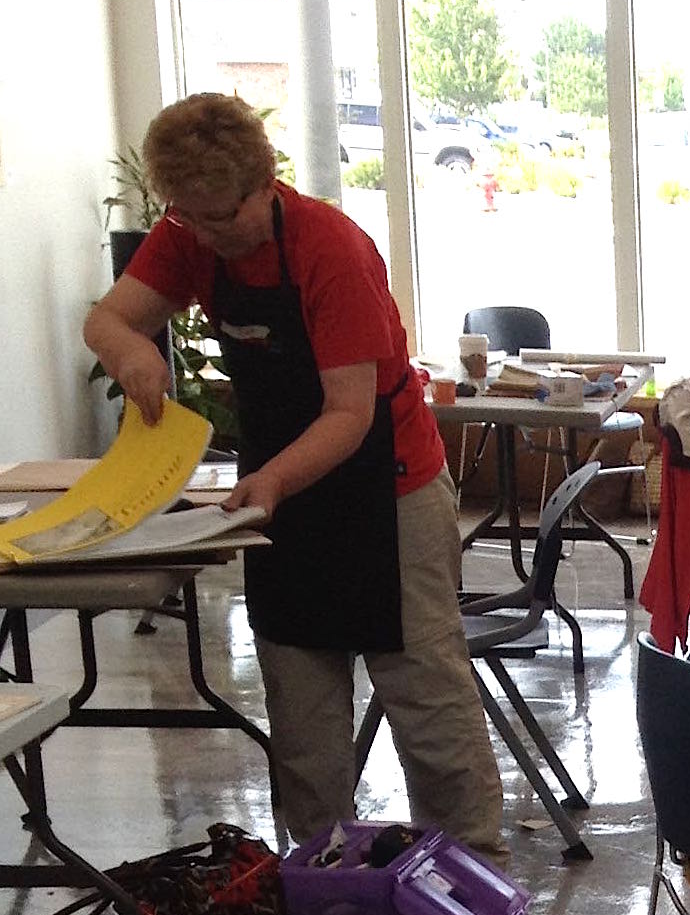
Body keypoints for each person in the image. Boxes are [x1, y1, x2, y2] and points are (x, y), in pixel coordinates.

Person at [82, 93, 501, 850]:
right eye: (189, 218)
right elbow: (106, 319)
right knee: (301, 708)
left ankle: (472, 861)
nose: (208, 236)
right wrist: (131, 350)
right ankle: (321, 869)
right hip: (280, 498)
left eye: (221, 217)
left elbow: (349, 414)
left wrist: (271, 482)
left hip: (385, 489)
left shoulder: (329, 249)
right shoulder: (189, 233)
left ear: (264, 182)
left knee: (424, 696)